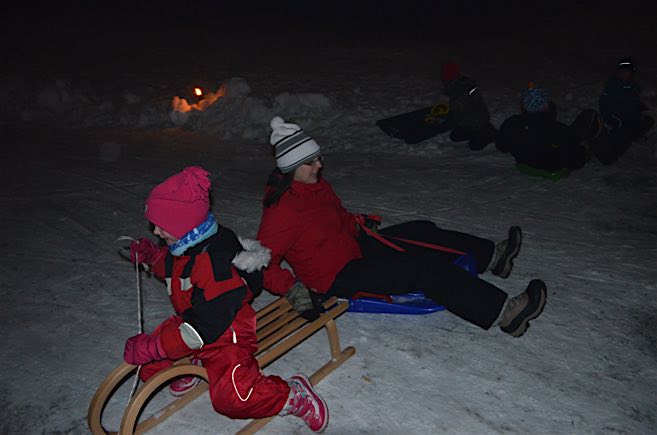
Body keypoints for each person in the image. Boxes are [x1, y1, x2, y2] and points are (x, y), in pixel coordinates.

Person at [256, 116, 547, 338]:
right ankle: (506, 313)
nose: (319, 165)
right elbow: (262, 262)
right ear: (290, 168)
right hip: (336, 277)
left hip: (353, 246)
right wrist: (294, 291)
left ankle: (492, 256)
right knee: (422, 268)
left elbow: (333, 215)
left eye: (318, 157)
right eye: (309, 162)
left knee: (420, 230)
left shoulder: (316, 185)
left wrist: (356, 222)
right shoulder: (281, 211)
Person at [124, 166, 328, 432]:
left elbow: (206, 325)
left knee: (233, 399)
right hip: (195, 319)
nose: (156, 232)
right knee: (149, 365)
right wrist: (154, 257)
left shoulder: (214, 266)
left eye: (162, 226)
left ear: (183, 223)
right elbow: (177, 268)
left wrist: (157, 347)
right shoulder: (187, 243)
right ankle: (194, 365)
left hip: (226, 334)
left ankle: (292, 395)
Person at [496, 84, 588, 172]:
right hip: (550, 165)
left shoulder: (512, 123)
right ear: (546, 106)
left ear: (523, 106)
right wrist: (583, 151)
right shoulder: (557, 129)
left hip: (525, 161)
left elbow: (501, 146)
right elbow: (575, 161)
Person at [596, 57, 655, 163]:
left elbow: (634, 102)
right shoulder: (612, 85)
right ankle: (611, 152)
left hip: (628, 114)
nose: (623, 74)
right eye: (621, 71)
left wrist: (638, 112)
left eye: (626, 72)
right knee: (621, 125)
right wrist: (608, 114)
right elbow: (604, 102)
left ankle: (631, 136)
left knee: (647, 121)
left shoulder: (634, 86)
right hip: (614, 114)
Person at [440, 61, 496, 150]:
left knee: (475, 146)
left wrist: (447, 109)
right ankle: (475, 132)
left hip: (478, 122)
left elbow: (462, 103)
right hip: (466, 121)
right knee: (455, 137)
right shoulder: (454, 84)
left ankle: (488, 132)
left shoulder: (467, 87)